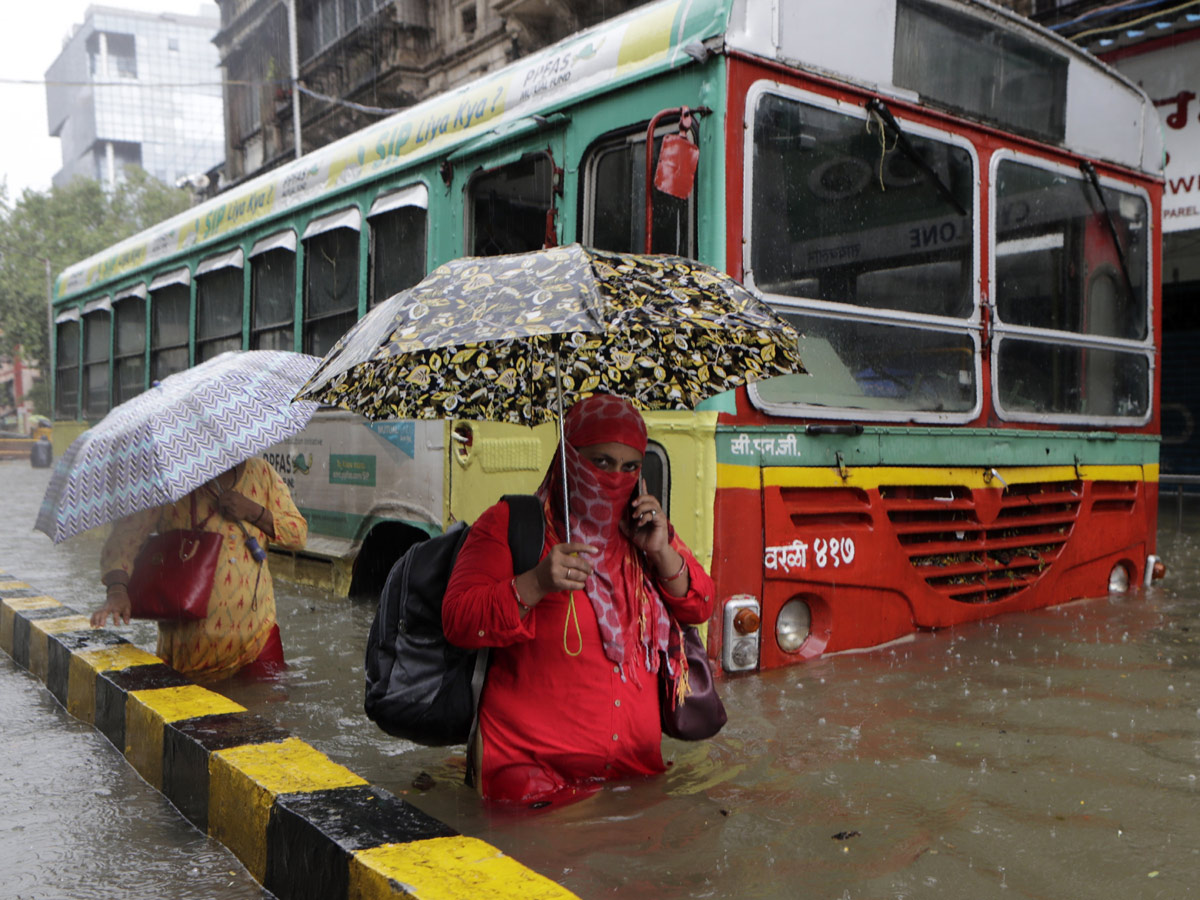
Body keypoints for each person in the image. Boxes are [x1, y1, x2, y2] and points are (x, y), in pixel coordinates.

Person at [443, 394, 715, 805]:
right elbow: (459, 620)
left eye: (630, 467)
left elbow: (700, 607)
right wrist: (534, 584)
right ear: (569, 458)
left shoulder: (643, 535)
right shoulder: (511, 525)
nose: (614, 477)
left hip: (635, 780)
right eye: (600, 462)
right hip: (533, 784)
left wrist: (662, 551)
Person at [90, 457, 307, 683]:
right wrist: (116, 590)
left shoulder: (261, 472)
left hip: (258, 640)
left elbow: (298, 535)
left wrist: (252, 511)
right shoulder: (166, 478)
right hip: (189, 653)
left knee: (267, 711)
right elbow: (124, 540)